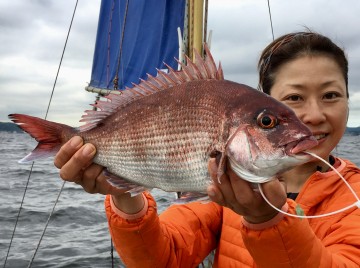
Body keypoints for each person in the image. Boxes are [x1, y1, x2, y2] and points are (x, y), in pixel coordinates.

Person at [54, 31, 360, 267]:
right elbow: (161, 258)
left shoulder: (354, 199)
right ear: (266, 98)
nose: (315, 115)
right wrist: (123, 190)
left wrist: (266, 219)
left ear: (349, 100)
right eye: (293, 99)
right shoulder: (220, 187)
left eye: (331, 95)